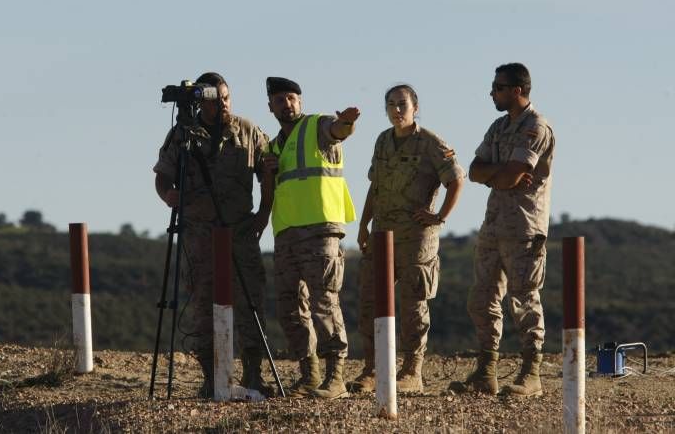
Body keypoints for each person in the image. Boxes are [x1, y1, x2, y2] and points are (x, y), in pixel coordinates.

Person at [153, 72, 274, 398]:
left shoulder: (247, 131)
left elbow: (269, 171)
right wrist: (169, 196)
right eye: (215, 99)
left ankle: (253, 375)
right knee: (201, 305)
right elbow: (162, 176)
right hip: (199, 234)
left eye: (226, 98)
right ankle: (212, 377)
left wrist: (265, 211)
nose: (222, 104)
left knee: (251, 303)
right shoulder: (182, 135)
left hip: (239, 231)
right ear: (199, 101)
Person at [350, 84, 465, 395]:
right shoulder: (382, 142)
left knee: (412, 304)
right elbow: (375, 188)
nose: (396, 110)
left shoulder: (430, 143)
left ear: (415, 107)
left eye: (402, 104)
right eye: (390, 104)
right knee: (369, 301)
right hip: (381, 233)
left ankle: (411, 371)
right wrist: (363, 224)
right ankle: (374, 369)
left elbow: (456, 179)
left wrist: (439, 216)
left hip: (416, 237)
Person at [449, 63, 555, 397]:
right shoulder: (498, 127)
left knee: (523, 296)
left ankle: (531, 372)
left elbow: (511, 176)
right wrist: (499, 174)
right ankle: (487, 371)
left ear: (517, 90)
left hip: (524, 226)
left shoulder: (536, 127)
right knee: (483, 297)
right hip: (494, 224)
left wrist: (498, 175)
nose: (491, 92)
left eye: (497, 87)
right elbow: (475, 171)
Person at [264, 76, 358, 399]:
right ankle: (310, 375)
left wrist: (345, 122)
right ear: (270, 107)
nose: (286, 104)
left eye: (291, 98)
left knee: (324, 303)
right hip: (286, 235)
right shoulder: (273, 146)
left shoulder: (316, 126)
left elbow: (338, 131)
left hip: (321, 232)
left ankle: (336, 378)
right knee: (290, 308)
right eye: (279, 99)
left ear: (300, 102)